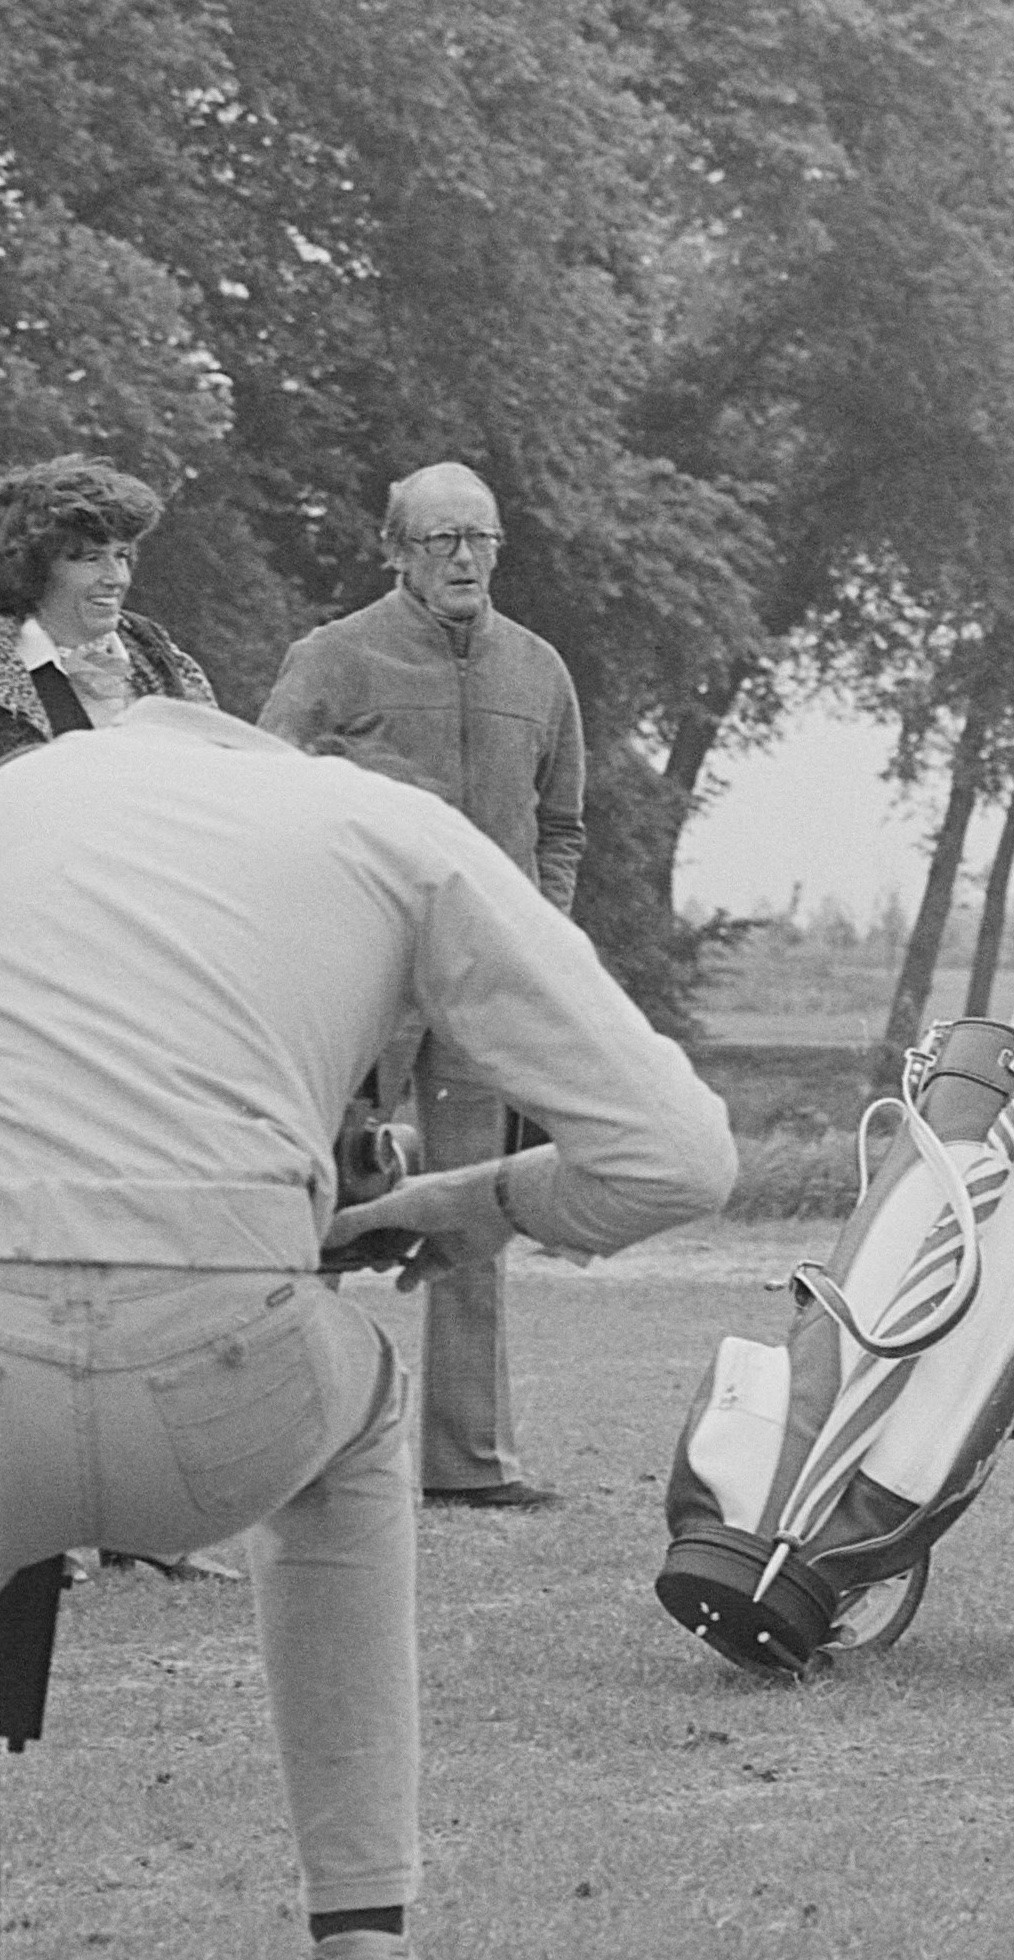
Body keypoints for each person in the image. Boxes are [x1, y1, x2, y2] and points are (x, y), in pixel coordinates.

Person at [0, 702, 736, 1960]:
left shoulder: (28, 795)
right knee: (367, 1418)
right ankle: (363, 1940)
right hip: (218, 1388)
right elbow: (678, 1158)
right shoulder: (385, 825)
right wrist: (469, 1203)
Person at [260, 462, 589, 1512]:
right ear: (393, 548)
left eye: (480, 539)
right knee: (317, 1203)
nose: (463, 558)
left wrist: (538, 927)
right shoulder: (332, 658)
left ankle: (470, 1462)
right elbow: (268, 802)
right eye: (441, 538)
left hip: (482, 981)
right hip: (356, 978)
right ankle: (283, 1449)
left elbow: (565, 824)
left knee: (477, 1213)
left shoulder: (538, 670)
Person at [0, 455, 216, 764]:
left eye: (122, 555)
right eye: (92, 558)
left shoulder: (164, 660)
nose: (117, 577)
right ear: (34, 567)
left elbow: (215, 775)